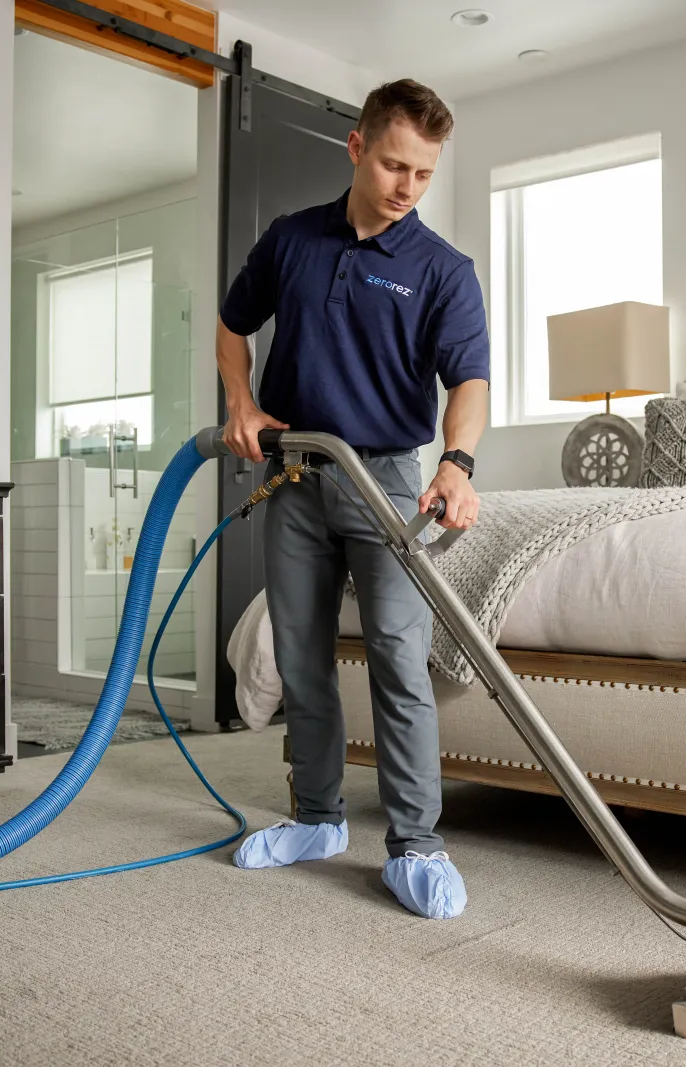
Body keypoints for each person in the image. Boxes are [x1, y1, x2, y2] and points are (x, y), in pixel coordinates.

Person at [215, 79, 489, 920]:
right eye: (394, 164)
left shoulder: (442, 269)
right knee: (301, 655)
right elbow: (234, 323)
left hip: (388, 483)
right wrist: (242, 403)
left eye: (424, 173)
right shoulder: (292, 240)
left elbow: (469, 378)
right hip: (295, 472)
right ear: (357, 148)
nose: (407, 186)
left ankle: (415, 843)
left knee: (399, 663)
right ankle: (316, 818)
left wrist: (459, 462)